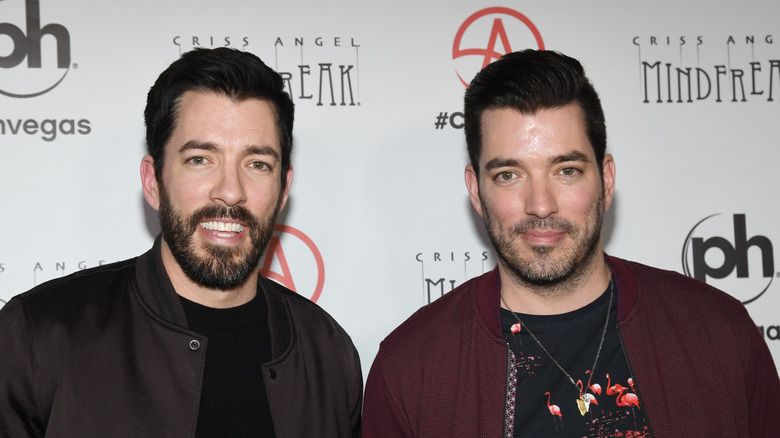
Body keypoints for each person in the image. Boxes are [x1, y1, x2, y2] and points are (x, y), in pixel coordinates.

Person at [362, 49, 780, 437]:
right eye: (509, 175)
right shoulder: (411, 371)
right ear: (476, 191)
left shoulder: (719, 333)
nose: (541, 205)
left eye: (566, 170)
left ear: (607, 180)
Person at [0, 47, 362, 437]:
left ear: (284, 188)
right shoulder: (40, 335)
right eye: (200, 159)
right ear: (153, 181)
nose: (230, 191)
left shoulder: (327, 350)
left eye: (257, 164)